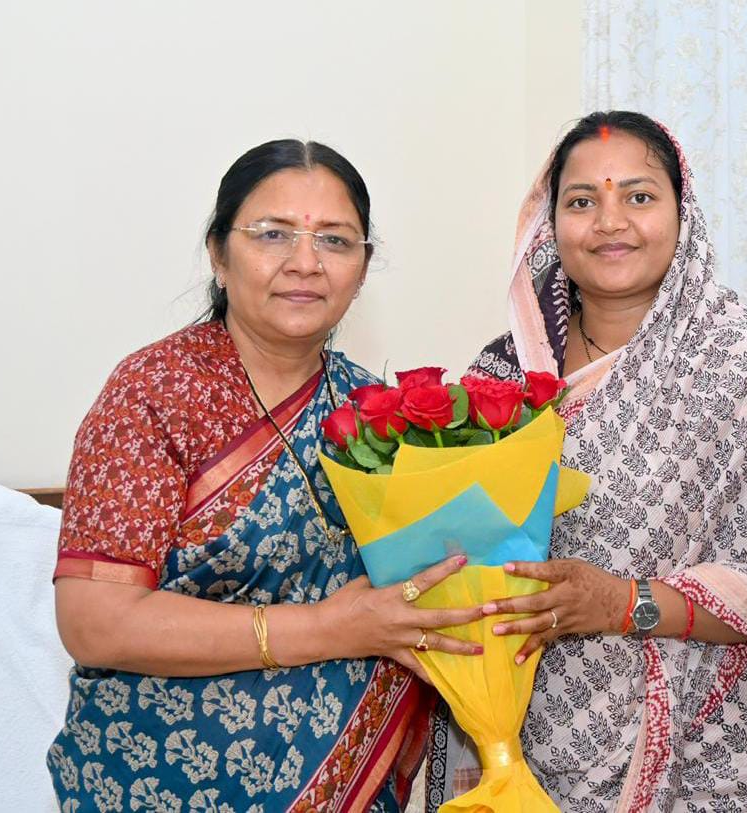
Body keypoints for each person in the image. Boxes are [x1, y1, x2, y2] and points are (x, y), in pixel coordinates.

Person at [48, 139, 480, 811]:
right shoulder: (155, 393)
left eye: (335, 240)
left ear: (363, 267)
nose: (305, 262)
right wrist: (329, 628)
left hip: (346, 782)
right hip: (158, 778)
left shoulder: (375, 415)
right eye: (273, 233)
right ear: (219, 254)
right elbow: (95, 623)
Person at [424, 111, 747, 811]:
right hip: (525, 738)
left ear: (683, 213)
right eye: (582, 201)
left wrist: (620, 602)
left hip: (712, 751)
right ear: (550, 225)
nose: (610, 222)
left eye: (638, 196)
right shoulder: (502, 374)